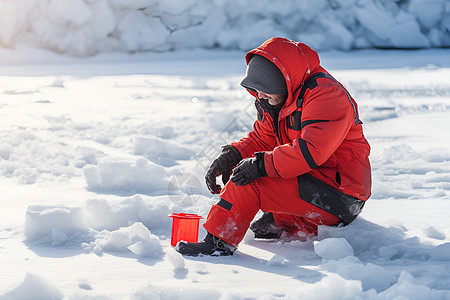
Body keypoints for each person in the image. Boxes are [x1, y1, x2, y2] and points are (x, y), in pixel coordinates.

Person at [177, 37, 372, 256]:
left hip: (339, 194)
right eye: (256, 90)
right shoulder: (277, 99)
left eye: (264, 90)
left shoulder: (326, 95)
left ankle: (217, 243)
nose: (259, 96)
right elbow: (263, 138)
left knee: (251, 182)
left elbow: (309, 153)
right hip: (311, 182)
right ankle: (290, 219)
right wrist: (232, 155)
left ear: (282, 82)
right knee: (249, 182)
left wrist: (259, 166)